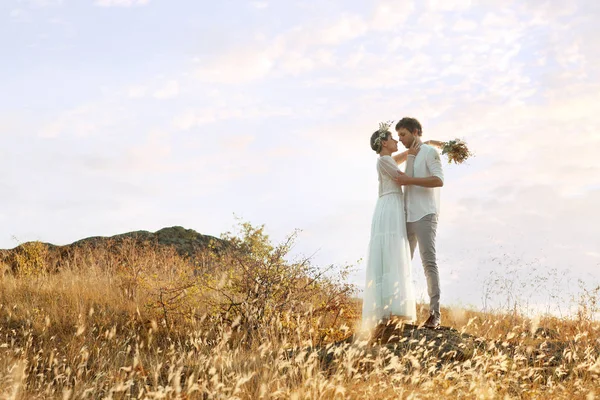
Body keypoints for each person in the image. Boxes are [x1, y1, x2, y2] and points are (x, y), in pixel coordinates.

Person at [361, 123, 416, 331]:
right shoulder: (384, 161)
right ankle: (390, 309)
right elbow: (400, 177)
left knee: (390, 253)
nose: (396, 141)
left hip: (389, 204)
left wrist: (413, 150)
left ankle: (390, 309)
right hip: (390, 205)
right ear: (384, 143)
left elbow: (396, 160)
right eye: (393, 139)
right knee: (392, 252)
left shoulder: (385, 160)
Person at [393, 117, 444, 329]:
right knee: (403, 263)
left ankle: (435, 315)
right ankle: (399, 311)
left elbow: (438, 180)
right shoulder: (411, 154)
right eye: (398, 136)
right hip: (407, 216)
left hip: (425, 215)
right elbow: (390, 161)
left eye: (403, 134)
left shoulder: (430, 153)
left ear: (415, 131)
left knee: (428, 263)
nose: (401, 139)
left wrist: (409, 180)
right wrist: (411, 151)